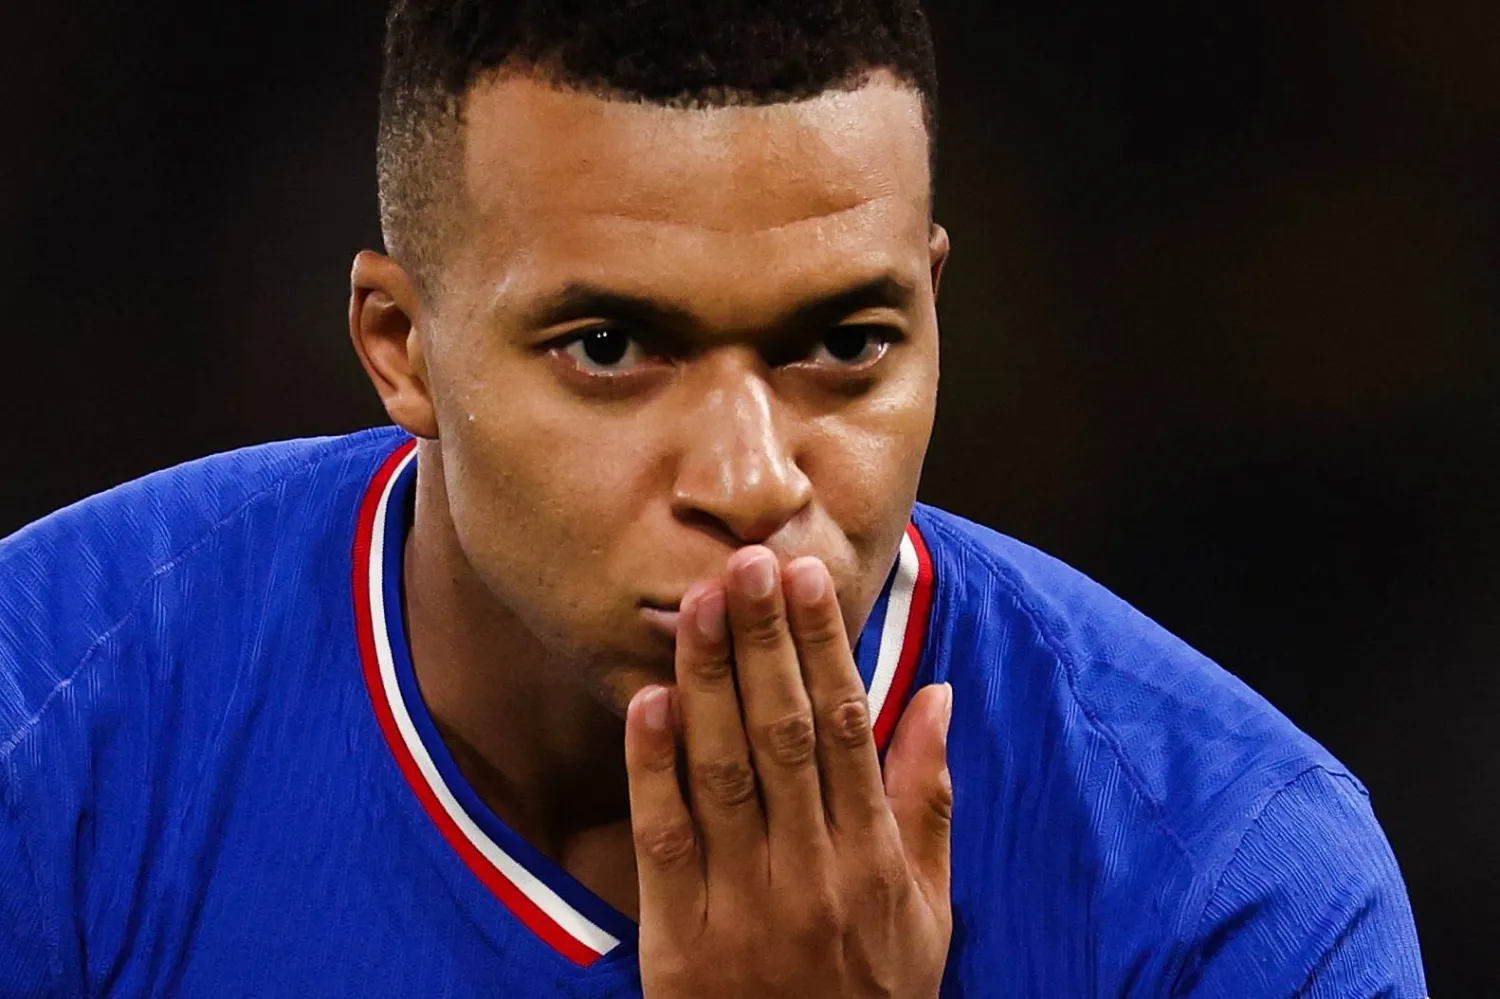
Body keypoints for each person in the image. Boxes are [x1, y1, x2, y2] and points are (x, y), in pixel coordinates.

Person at [0, 0, 1427, 995]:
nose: (752, 482)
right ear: (401, 346)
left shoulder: (1236, 895)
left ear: (933, 308)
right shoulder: (47, 734)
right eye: (609, 347)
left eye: (843, 343)